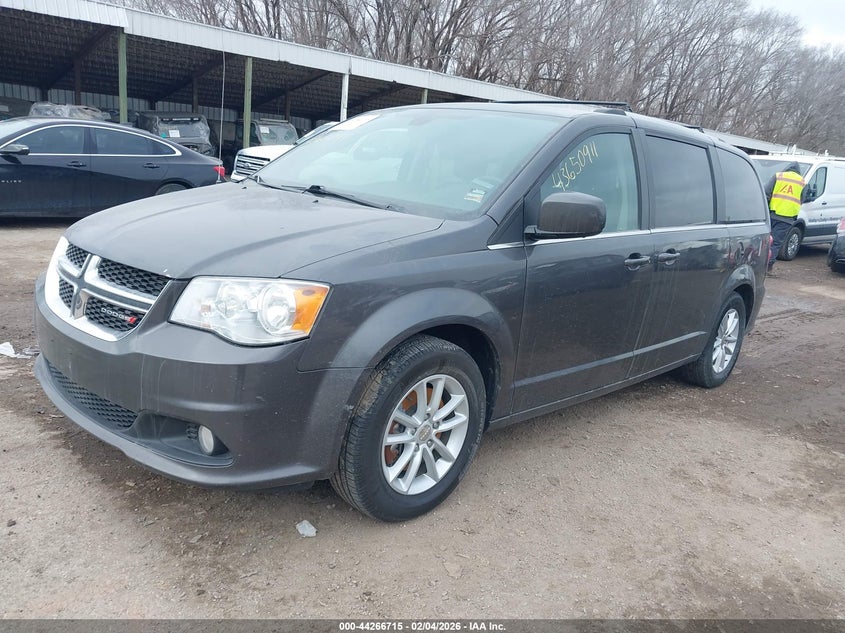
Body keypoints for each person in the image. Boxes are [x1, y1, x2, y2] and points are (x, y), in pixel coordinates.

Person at [764, 161, 806, 274]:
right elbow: (803, 199)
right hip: (787, 218)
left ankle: (758, 264)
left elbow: (766, 193)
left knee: (764, 240)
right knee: (776, 243)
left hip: (771, 214)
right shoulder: (802, 182)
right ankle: (768, 267)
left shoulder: (778, 176)